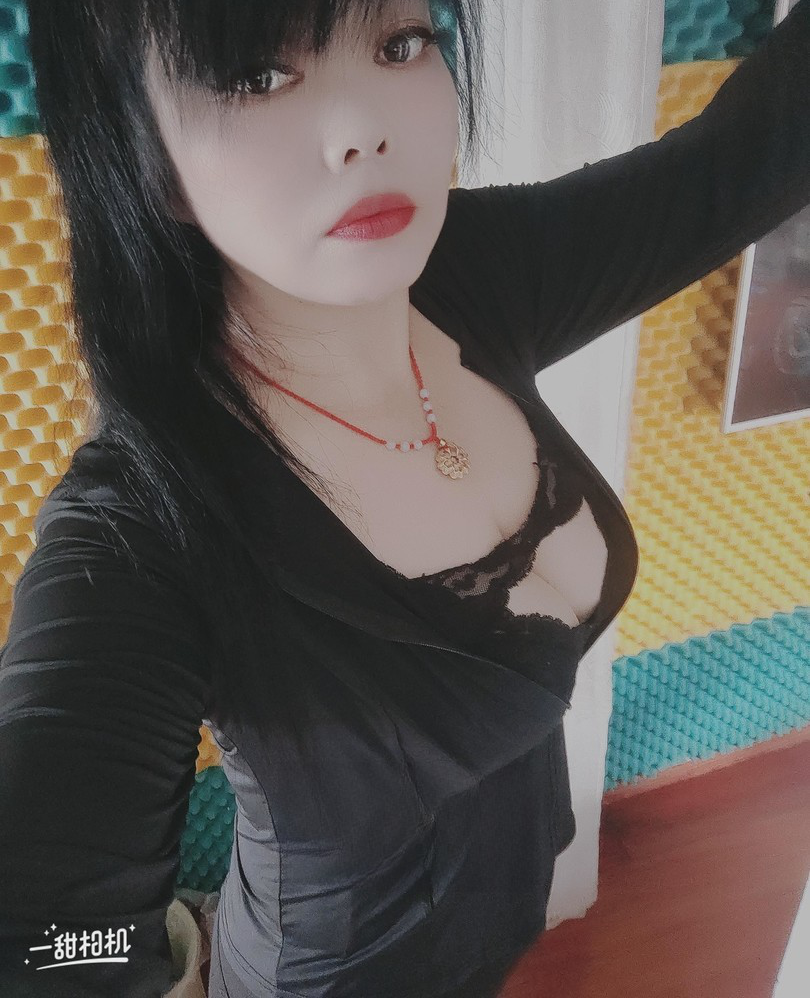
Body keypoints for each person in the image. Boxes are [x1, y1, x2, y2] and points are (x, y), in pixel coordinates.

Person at [0, 0, 808, 995]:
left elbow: (739, 162)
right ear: (142, 151)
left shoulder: (478, 273)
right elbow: (32, 943)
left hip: (503, 919)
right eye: (256, 77)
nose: (363, 129)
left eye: (399, 43)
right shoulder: (139, 527)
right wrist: (130, 953)